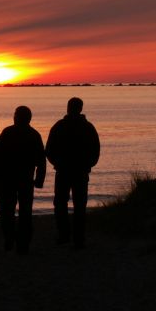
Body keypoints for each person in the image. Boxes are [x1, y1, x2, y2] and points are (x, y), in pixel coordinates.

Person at [46, 97, 100, 249]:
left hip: (67, 171)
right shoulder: (87, 127)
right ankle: (76, 238)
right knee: (78, 205)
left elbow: (49, 150)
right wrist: (88, 164)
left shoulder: (60, 126)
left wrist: (57, 162)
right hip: (76, 171)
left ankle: (66, 235)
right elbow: (95, 150)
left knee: (63, 204)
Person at [0, 106, 46, 254]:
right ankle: (20, 243)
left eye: (16, 115)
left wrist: (39, 179)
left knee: (9, 211)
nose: (14, 117)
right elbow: (41, 160)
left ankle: (12, 238)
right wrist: (39, 179)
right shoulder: (33, 134)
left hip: (11, 180)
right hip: (22, 180)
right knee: (24, 213)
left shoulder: (8, 132)